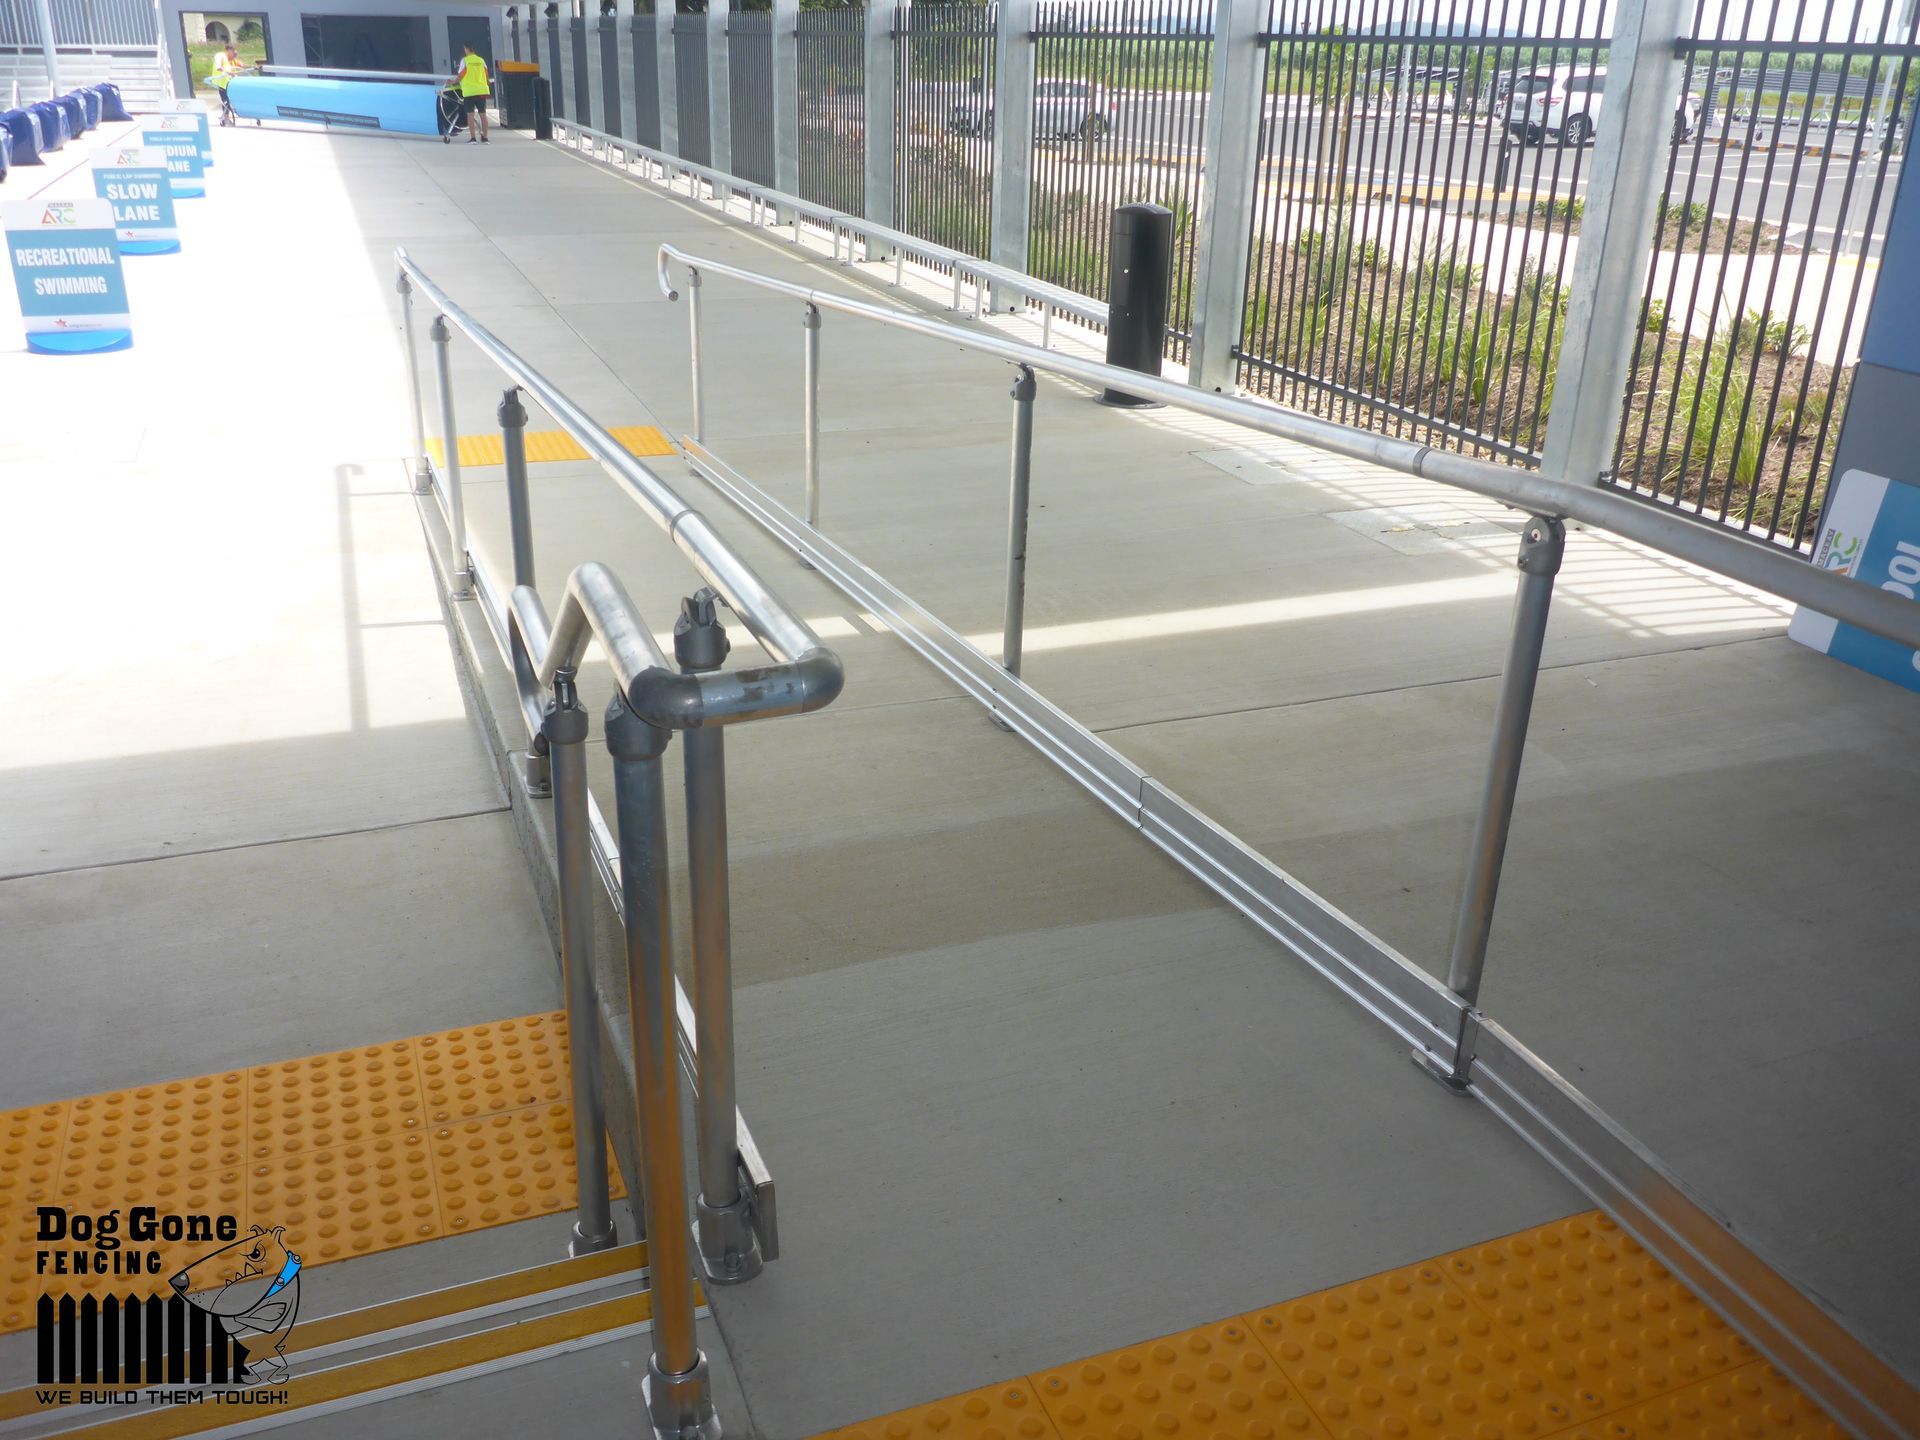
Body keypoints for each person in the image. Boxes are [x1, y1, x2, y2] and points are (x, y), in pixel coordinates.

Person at [450, 43, 490, 145]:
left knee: (470, 115)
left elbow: (461, 75)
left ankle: (473, 139)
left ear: (466, 49)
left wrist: (452, 82)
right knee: (483, 114)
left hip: (470, 92)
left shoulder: (465, 61)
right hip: (481, 91)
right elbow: (486, 75)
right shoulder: (481, 60)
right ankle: (485, 138)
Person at [209, 41, 242, 127]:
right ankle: (225, 118)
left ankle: (226, 116)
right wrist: (229, 73)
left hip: (228, 82)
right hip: (221, 82)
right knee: (226, 100)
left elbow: (238, 65)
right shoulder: (220, 55)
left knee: (230, 100)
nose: (234, 53)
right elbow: (219, 67)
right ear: (229, 50)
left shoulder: (229, 59)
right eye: (233, 51)